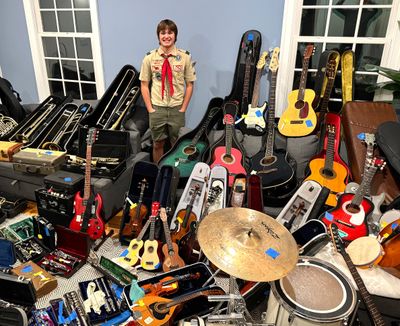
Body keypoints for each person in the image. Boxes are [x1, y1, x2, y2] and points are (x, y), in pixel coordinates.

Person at [139, 19, 196, 163]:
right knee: (158, 144)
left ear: (175, 35)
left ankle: (174, 173)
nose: (166, 36)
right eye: (162, 32)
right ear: (158, 36)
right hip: (157, 108)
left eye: (170, 32)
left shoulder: (185, 57)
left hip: (177, 108)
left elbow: (189, 84)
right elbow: (144, 85)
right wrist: (150, 109)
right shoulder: (149, 58)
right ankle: (158, 171)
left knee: (177, 145)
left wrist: (183, 108)